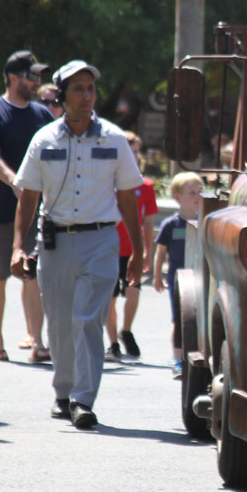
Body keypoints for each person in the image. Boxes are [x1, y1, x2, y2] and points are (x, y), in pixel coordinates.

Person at [11, 59, 144, 430]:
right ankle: (63, 392)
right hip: (55, 242)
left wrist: (138, 250)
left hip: (101, 240)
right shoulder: (44, 139)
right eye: (78, 90)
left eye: (91, 89)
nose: (87, 96)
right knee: (59, 322)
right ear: (62, 95)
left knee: (88, 320)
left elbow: (129, 199)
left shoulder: (114, 139)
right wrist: (18, 247)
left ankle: (84, 401)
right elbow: (29, 196)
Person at [0, 50, 54, 362]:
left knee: (34, 273)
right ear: (14, 78)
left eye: (39, 77)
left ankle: (37, 341)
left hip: (35, 210)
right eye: (32, 76)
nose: (37, 82)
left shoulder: (42, 115)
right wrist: (16, 182)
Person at [105, 131, 157, 361]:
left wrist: (147, 252)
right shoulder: (105, 183)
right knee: (109, 296)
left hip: (132, 248)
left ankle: (126, 330)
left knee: (133, 290)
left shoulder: (145, 186)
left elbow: (148, 221)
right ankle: (113, 343)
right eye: (128, 151)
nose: (132, 156)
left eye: (136, 152)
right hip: (107, 248)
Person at [153, 172, 204, 378]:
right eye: (192, 192)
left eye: (200, 191)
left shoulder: (204, 222)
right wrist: (157, 276)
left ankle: (195, 355)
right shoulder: (171, 224)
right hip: (177, 280)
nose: (197, 196)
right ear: (178, 197)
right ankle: (178, 359)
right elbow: (161, 252)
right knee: (179, 320)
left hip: (198, 278)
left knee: (197, 319)